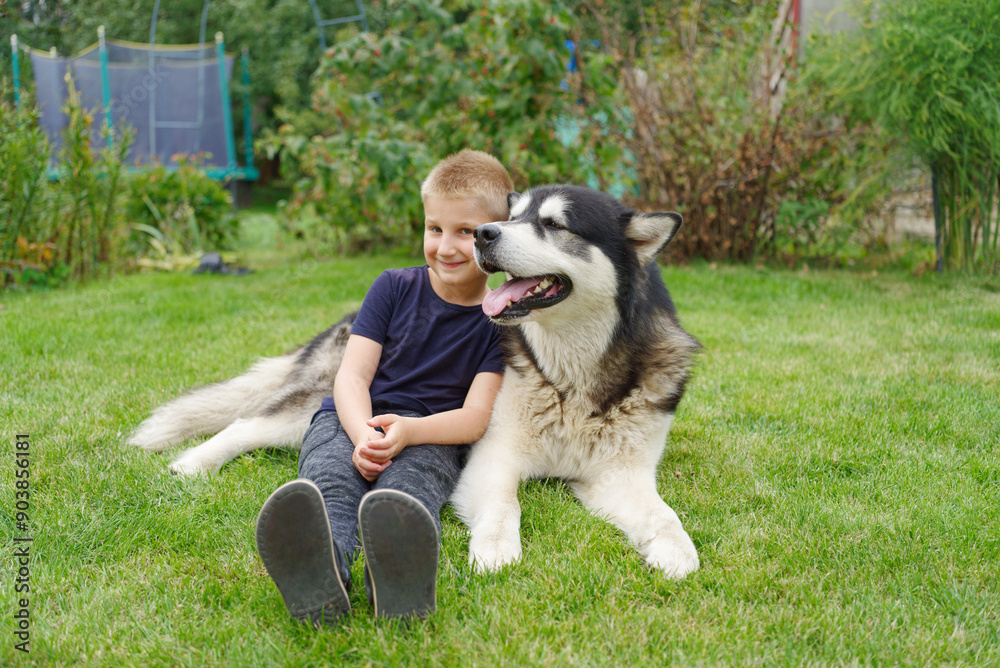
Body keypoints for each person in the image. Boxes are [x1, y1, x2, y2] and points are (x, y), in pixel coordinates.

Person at [254, 150, 512, 627]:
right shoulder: (392, 287)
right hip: (349, 420)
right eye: (435, 229)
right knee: (330, 483)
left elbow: (475, 417)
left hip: (432, 435)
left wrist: (410, 432)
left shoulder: (499, 321)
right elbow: (351, 377)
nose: (446, 246)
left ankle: (398, 582)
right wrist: (361, 435)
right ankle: (319, 570)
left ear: (496, 239)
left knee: (406, 495)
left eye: (466, 232)